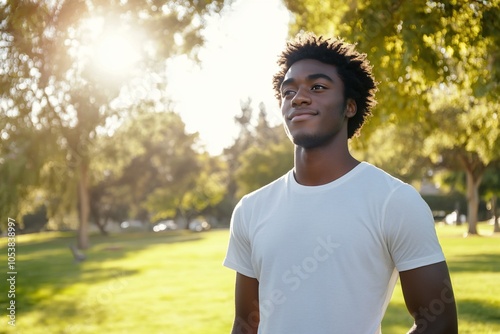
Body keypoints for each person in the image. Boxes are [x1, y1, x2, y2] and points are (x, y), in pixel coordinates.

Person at [223, 33, 458, 333]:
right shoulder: (251, 209)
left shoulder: (394, 201)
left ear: (349, 106)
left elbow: (439, 323)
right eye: (288, 92)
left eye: (318, 87)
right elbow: (246, 325)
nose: (299, 98)